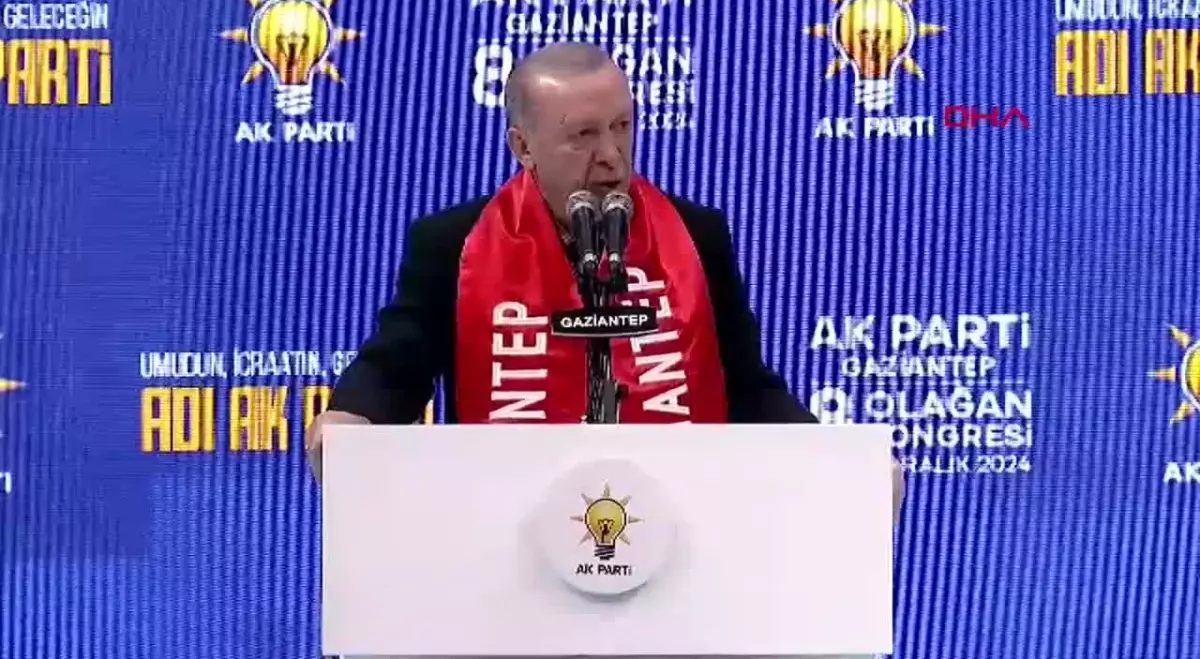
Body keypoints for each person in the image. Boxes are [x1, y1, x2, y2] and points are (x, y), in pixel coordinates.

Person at [304, 42, 904, 522]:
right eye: (584, 135)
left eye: (622, 126)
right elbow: (396, 368)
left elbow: (746, 387)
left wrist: (837, 463)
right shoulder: (454, 244)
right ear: (523, 146)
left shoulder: (697, 235)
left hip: (679, 528)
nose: (613, 155)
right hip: (504, 532)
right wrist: (350, 419)